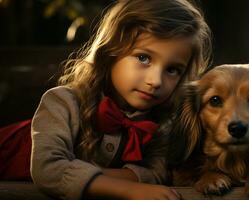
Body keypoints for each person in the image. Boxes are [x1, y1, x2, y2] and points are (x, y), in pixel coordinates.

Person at [0, 0, 212, 199]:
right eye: (143, 58)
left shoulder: (164, 121)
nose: (156, 81)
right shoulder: (62, 101)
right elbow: (48, 170)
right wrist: (129, 189)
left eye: (173, 70)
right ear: (111, 51)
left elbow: (158, 172)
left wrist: (86, 174)